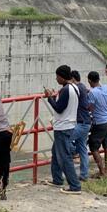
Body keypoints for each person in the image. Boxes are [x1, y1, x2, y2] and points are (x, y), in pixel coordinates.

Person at [43, 65, 82, 195]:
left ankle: (75, 186)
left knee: (64, 157)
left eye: (57, 76)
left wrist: (50, 98)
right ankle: (57, 179)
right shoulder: (74, 87)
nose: (56, 79)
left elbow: (59, 108)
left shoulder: (66, 90)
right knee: (56, 152)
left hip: (63, 127)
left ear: (61, 76)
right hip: (69, 124)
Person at [87, 71, 107, 178]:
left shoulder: (92, 93)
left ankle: (102, 171)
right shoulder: (106, 87)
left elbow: (90, 108)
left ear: (89, 81)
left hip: (99, 123)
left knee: (93, 147)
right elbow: (99, 91)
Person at [70, 71, 91, 181]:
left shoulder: (76, 88)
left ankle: (74, 152)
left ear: (73, 79)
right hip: (86, 122)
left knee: (64, 141)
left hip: (80, 123)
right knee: (83, 149)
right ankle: (84, 174)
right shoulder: (82, 87)